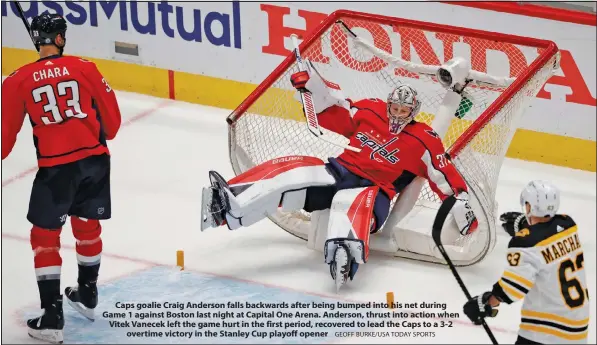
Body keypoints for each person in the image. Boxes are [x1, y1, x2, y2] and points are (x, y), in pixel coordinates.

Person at [201, 65, 478, 290]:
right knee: (296, 170)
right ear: (388, 104)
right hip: (340, 172)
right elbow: (334, 111)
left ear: (413, 112)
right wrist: (310, 90)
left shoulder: (423, 139)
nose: (397, 114)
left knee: (355, 205)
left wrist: (462, 206)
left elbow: (443, 174)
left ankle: (345, 257)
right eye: (394, 108)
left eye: (404, 111)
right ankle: (231, 205)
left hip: (376, 191)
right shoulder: (369, 110)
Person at [1, 13, 121, 343]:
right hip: (95, 162)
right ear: (60, 39)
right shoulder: (86, 67)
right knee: (86, 223)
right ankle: (87, 292)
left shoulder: (17, 80)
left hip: (56, 170)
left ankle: (52, 314)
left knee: (44, 235)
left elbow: (3, 141)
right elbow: (113, 122)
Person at [463, 180, 589, 344]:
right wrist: (526, 226)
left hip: (545, 333)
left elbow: (513, 287)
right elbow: (547, 235)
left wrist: (486, 303)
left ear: (529, 207)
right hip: (578, 330)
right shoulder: (568, 225)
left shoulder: (525, 244)